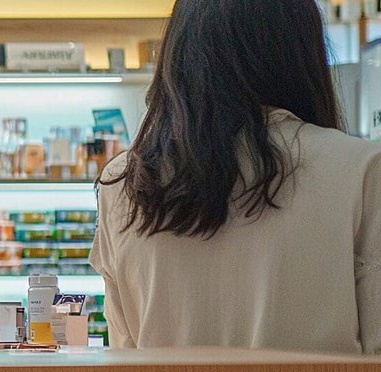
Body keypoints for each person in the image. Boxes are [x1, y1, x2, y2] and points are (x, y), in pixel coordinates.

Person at [91, 0, 381, 355]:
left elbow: (125, 348)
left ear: (180, 54)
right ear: (302, 54)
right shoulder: (361, 168)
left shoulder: (125, 181)